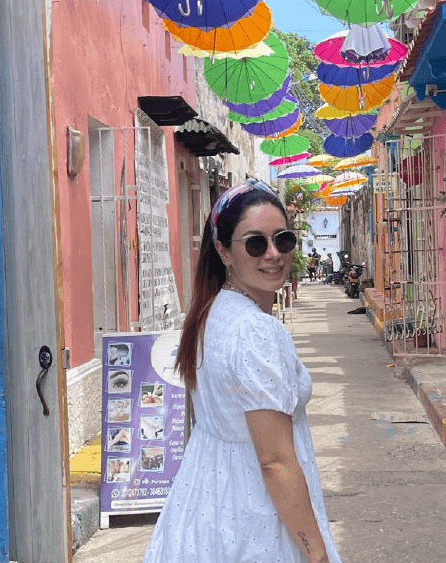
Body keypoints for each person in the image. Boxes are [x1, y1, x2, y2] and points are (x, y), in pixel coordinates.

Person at [144, 179, 340, 563]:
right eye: (255, 243)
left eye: (282, 240)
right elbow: (275, 461)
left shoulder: (210, 313)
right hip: (255, 524)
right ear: (223, 251)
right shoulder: (256, 331)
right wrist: (316, 553)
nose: (272, 254)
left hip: (203, 515)